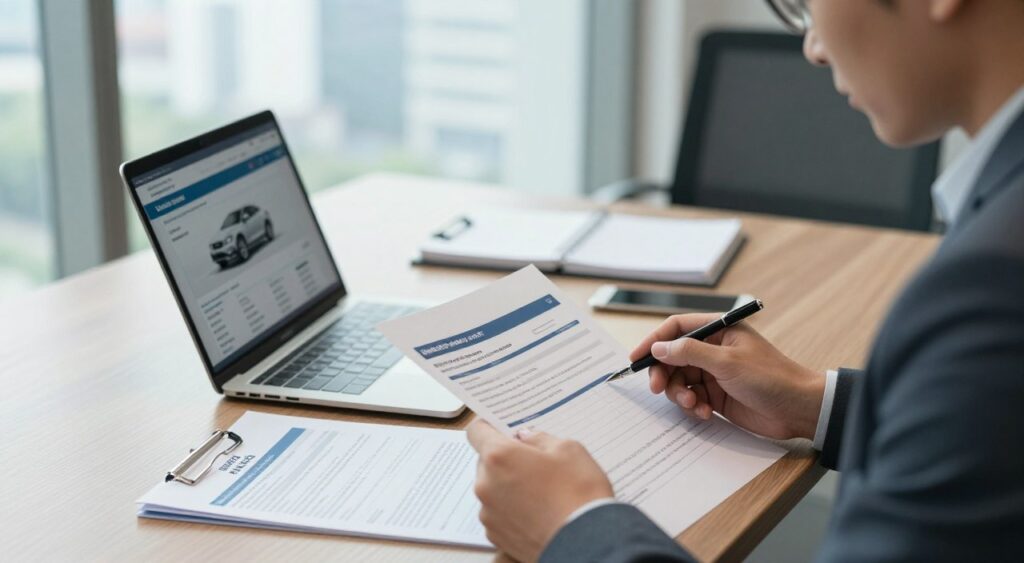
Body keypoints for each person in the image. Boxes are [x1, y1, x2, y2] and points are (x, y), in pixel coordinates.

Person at [466, 0, 1024, 561]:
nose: (813, 47)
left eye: (807, 4)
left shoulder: (991, 283)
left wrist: (576, 528)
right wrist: (817, 404)